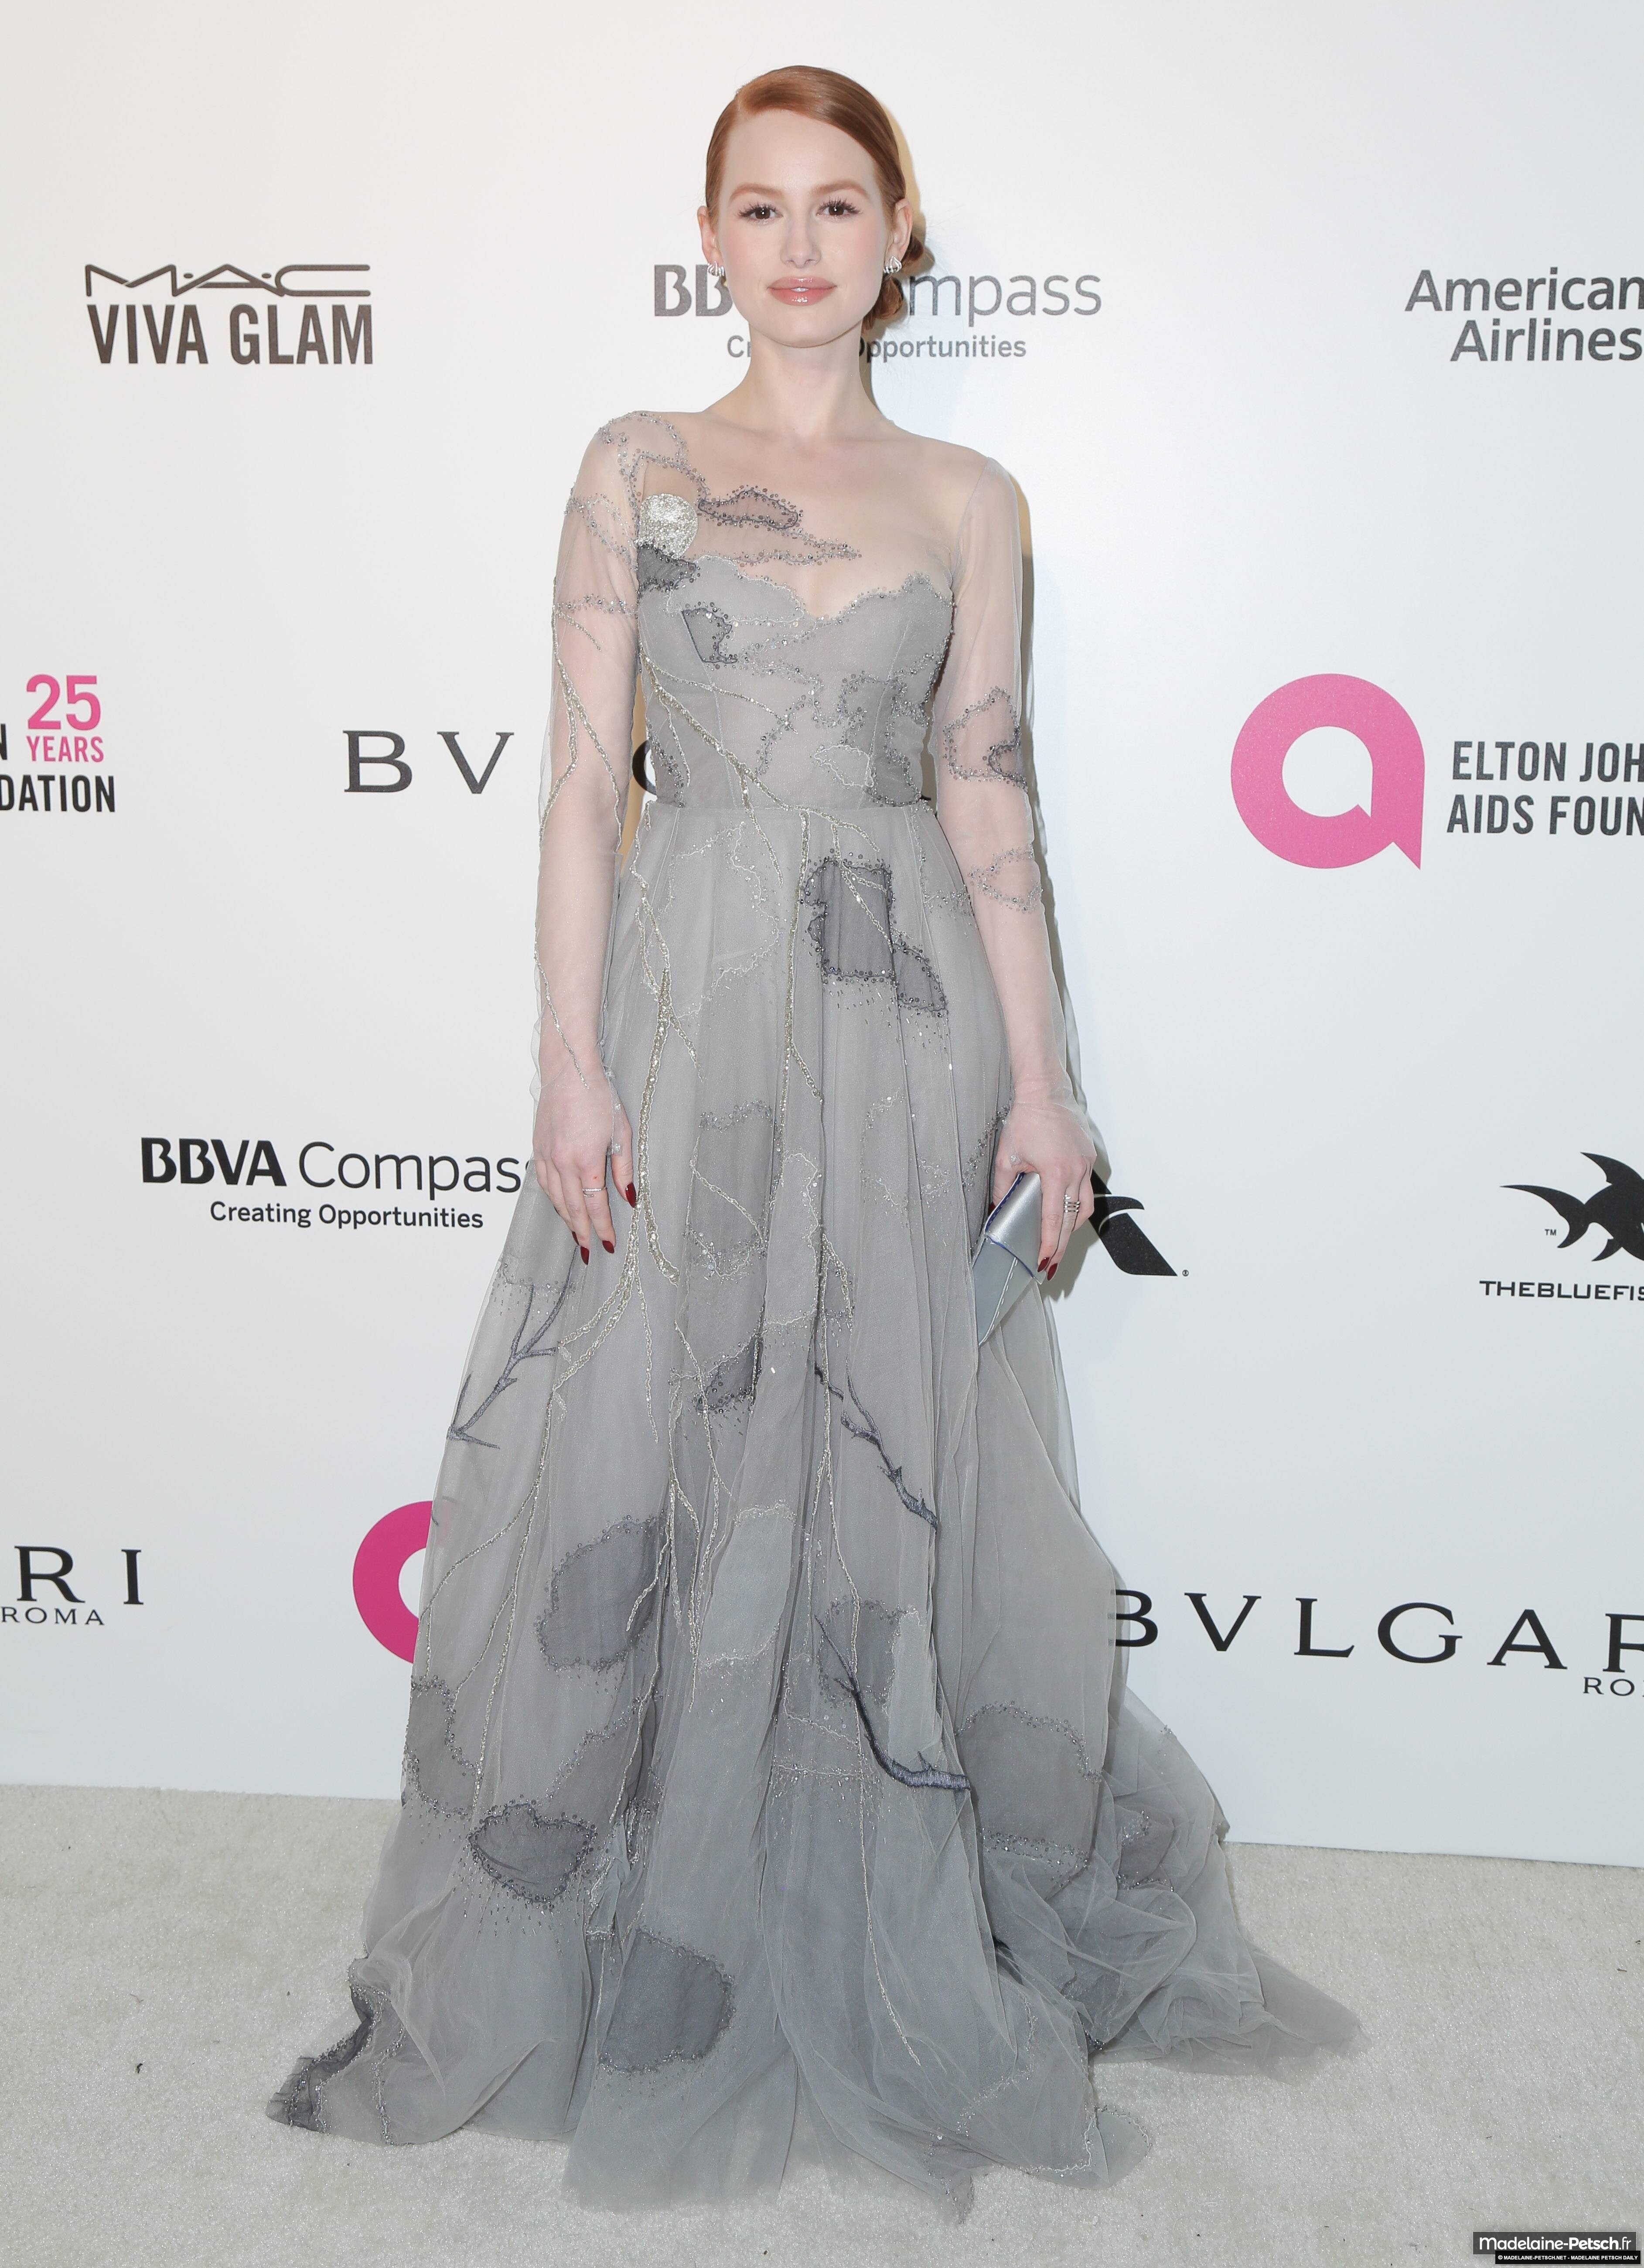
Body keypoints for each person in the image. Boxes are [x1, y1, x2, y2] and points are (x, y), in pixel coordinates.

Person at [269, 64, 1358, 2211]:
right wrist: (565, 1059)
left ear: (897, 233)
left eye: (836, 205)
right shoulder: (635, 462)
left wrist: (1043, 1077)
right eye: (757, 207)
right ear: (708, 239)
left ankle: (871, 1895)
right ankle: (638, 1909)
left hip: (900, 1011)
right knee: (645, 1442)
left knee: (882, 1462)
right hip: (680, 1014)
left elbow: (988, 788)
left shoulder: (971, 495)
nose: (797, 245)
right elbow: (581, 786)